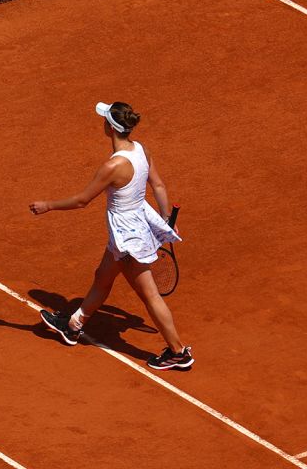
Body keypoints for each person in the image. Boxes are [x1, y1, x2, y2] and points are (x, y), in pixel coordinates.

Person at [29, 102, 193, 370]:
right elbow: (159, 185)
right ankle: (73, 325)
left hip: (127, 238)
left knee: (150, 295)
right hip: (132, 227)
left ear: (110, 128)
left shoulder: (113, 166)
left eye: (104, 119)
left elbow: (82, 200)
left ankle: (178, 352)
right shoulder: (142, 149)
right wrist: (166, 221)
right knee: (102, 278)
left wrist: (48, 205)